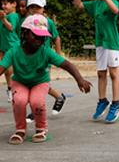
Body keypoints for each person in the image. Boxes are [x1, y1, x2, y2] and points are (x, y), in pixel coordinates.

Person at [0, 14, 91, 144]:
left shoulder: (45, 51)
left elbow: (66, 64)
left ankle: (41, 128)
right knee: (19, 100)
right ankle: (20, 130)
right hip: (20, 82)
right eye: (36, 35)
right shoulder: (14, 51)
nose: (39, 39)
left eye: (43, 37)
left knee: (36, 101)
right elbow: (2, 67)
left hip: (40, 82)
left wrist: (80, 80)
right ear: (25, 33)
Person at [73, 0, 119, 123]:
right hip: (100, 43)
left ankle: (116, 103)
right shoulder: (96, 4)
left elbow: (115, 10)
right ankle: (102, 100)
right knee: (101, 73)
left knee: (114, 73)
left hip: (111, 43)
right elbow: (78, 5)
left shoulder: (113, 2)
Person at [24, 0, 67, 123]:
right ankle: (59, 97)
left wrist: (58, 56)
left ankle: (34, 111)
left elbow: (56, 38)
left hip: (44, 57)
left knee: (39, 84)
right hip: (31, 57)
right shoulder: (27, 22)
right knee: (36, 84)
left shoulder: (48, 22)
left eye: (38, 7)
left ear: (43, 8)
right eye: (32, 7)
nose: (34, 9)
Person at [0, 0, 20, 102]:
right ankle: (10, 88)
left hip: (13, 47)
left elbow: (11, 28)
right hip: (3, 46)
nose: (3, 6)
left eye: (5, 3)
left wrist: (3, 19)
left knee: (9, 70)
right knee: (7, 71)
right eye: (2, 4)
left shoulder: (13, 16)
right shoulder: (4, 15)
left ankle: (15, 90)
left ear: (14, 4)